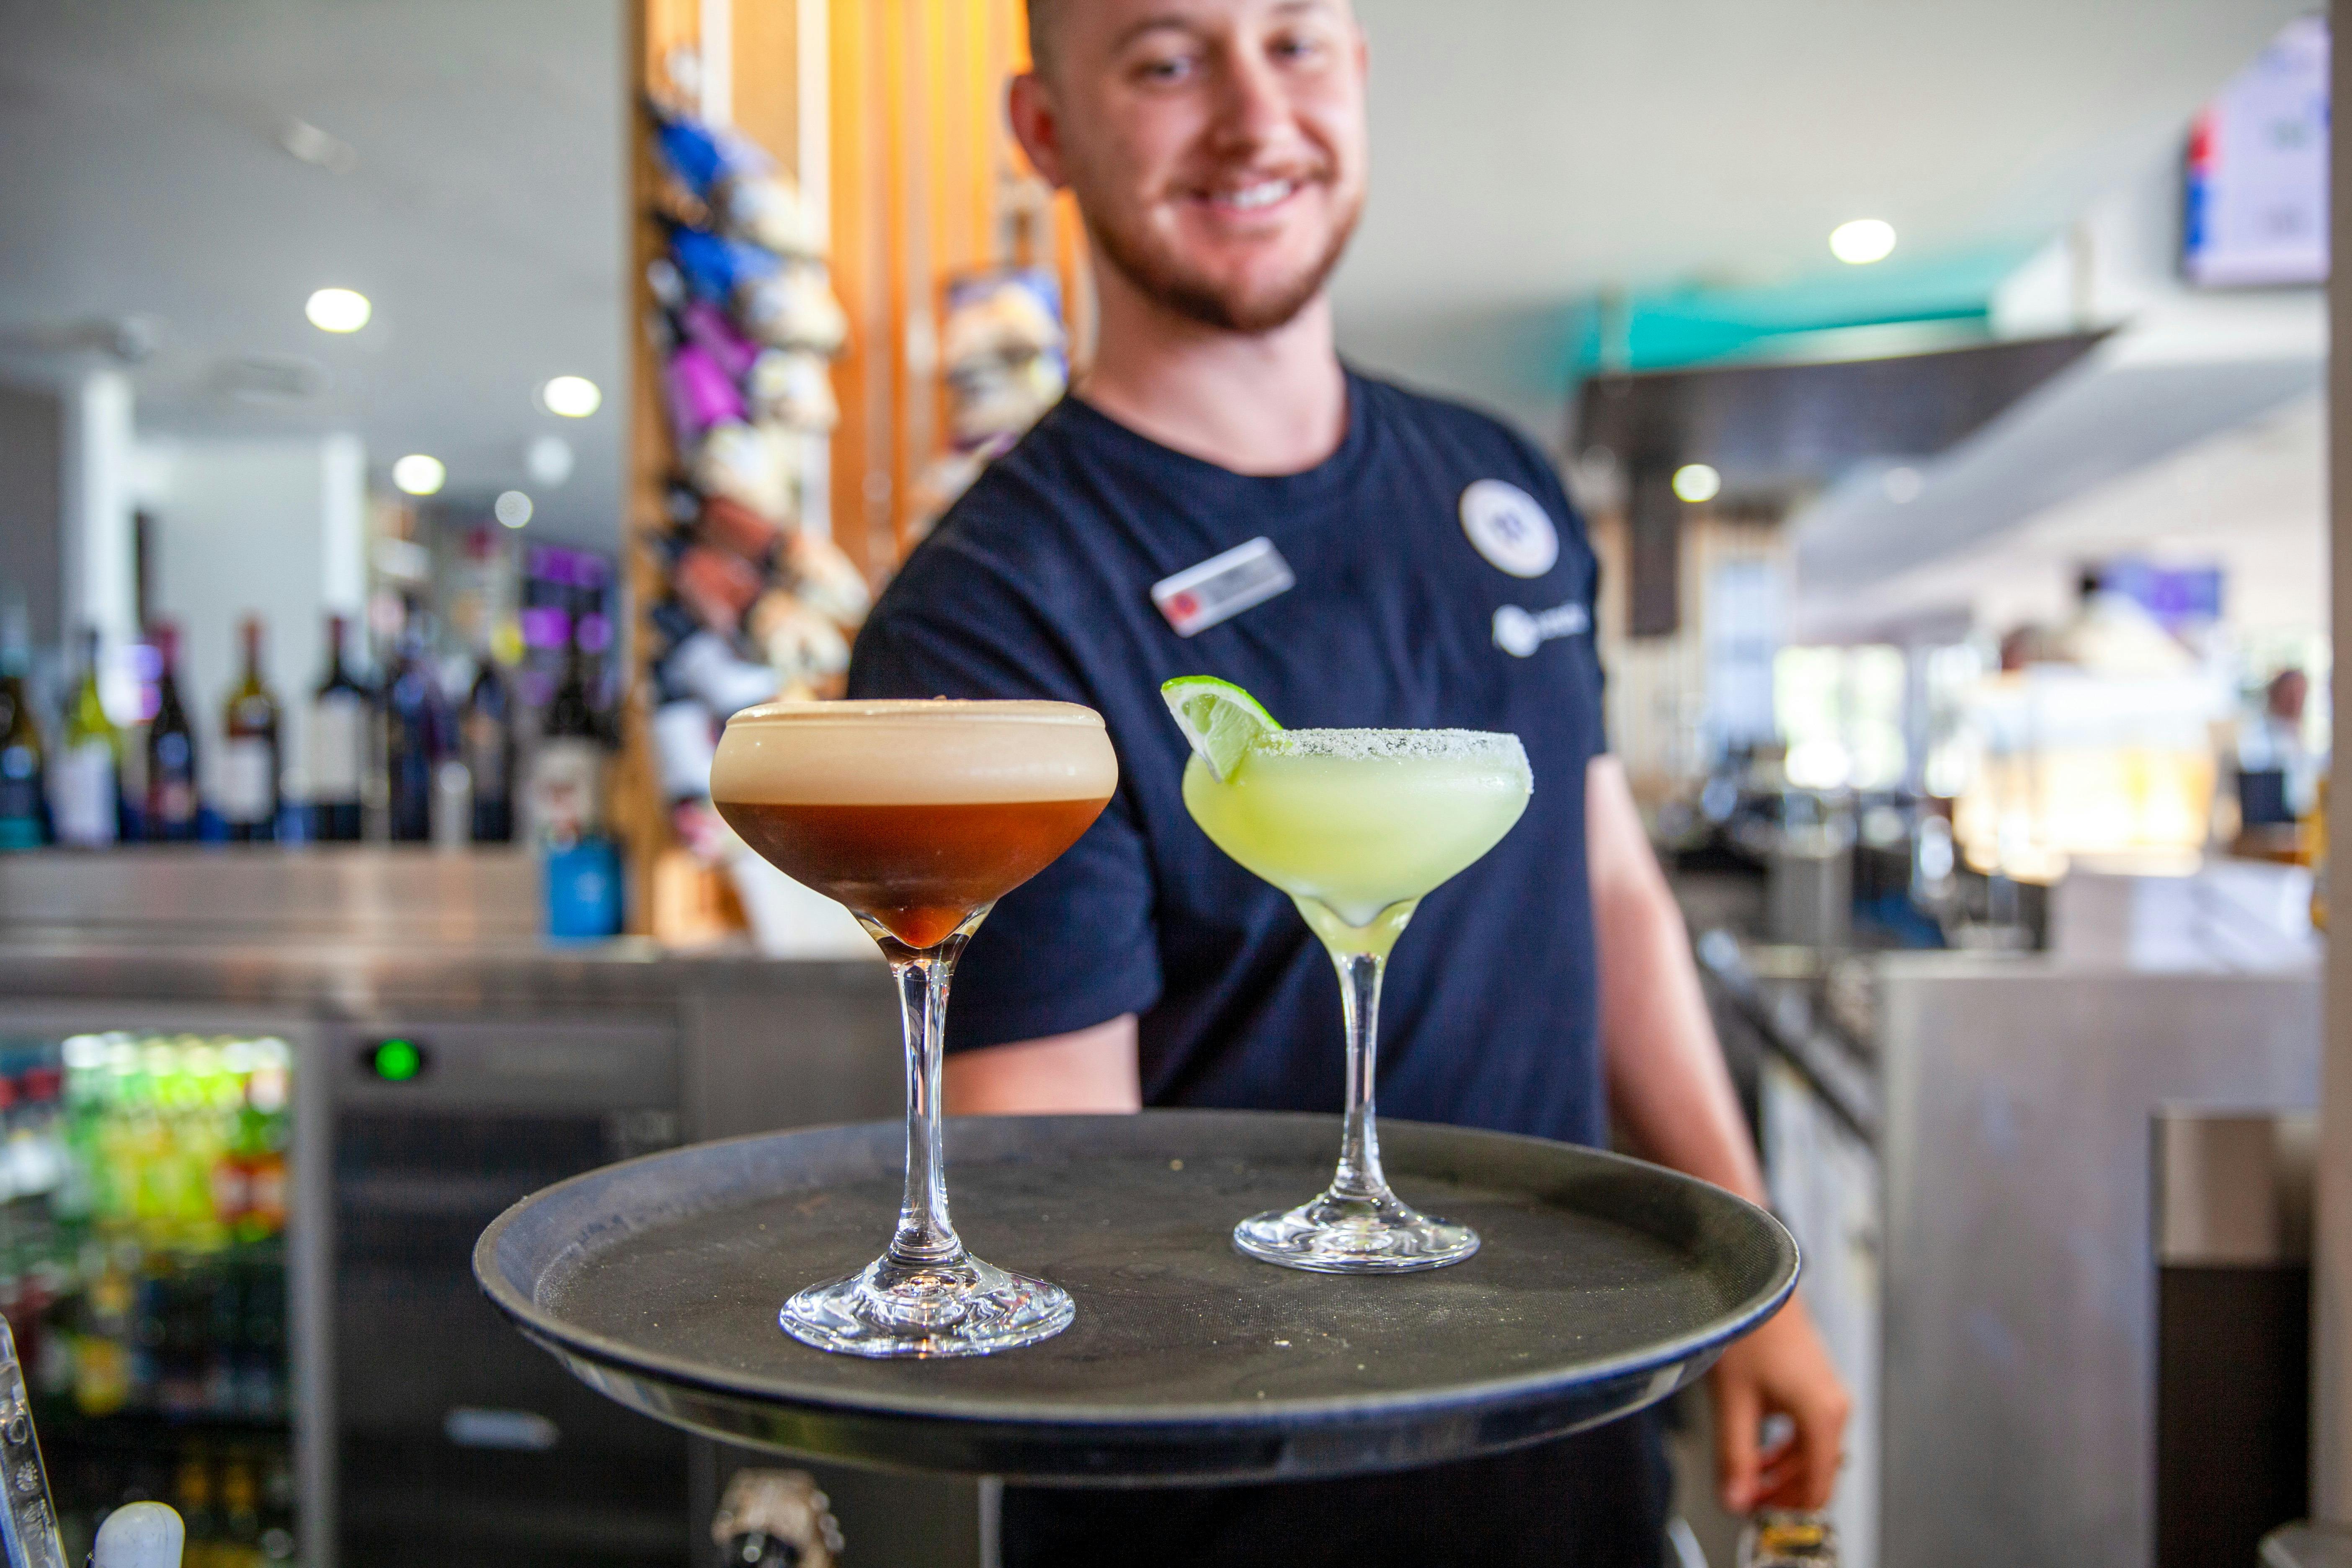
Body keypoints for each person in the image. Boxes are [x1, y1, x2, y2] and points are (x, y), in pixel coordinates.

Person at [846, 2, 1848, 1562]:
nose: (1256, 119)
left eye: (1296, 44)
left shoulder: (1499, 478)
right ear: (1045, 131)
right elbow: (1053, 1184)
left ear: (1359, 77)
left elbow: (1602, 889)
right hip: (1229, 1519)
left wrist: (1754, 1280)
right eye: (1168, 61)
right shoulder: (989, 613)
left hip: (1583, 1464)